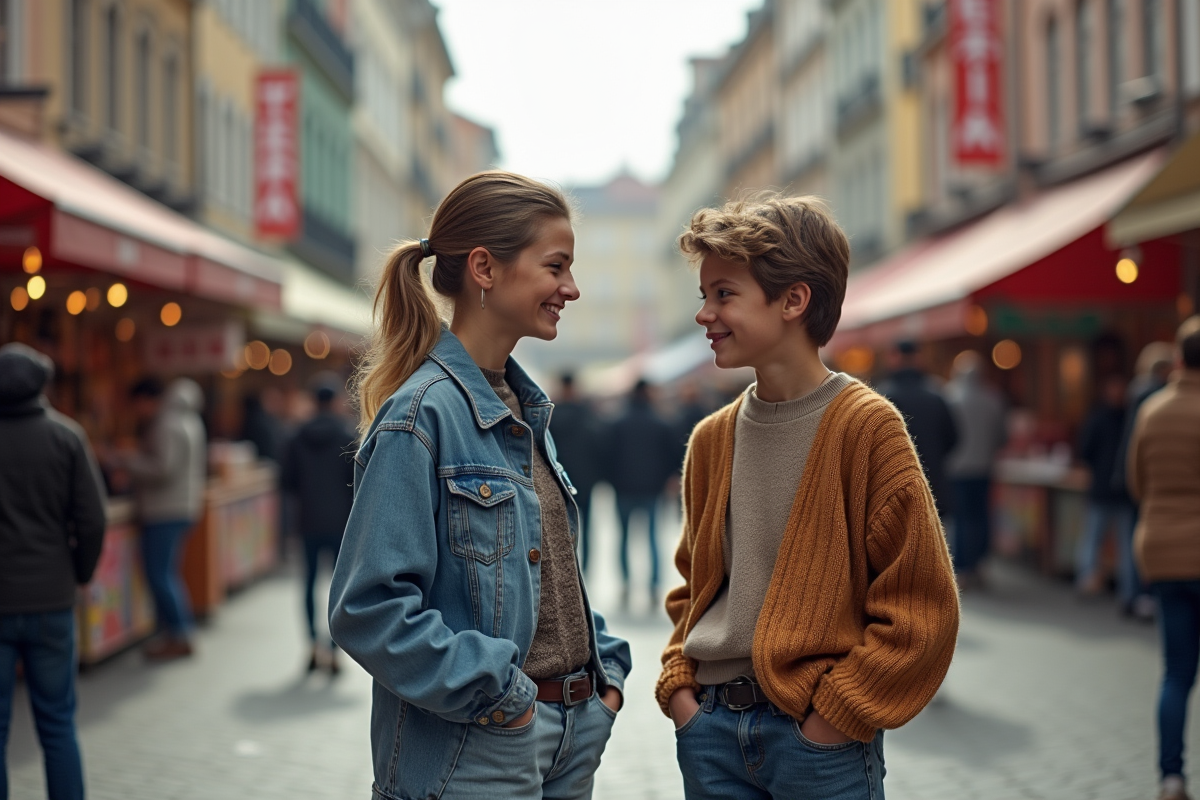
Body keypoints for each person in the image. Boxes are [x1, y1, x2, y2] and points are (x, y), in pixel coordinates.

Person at [328, 171, 631, 800]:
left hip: (569, 736)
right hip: (477, 746)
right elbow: (367, 608)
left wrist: (604, 672)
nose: (570, 288)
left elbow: (541, 571)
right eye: (555, 266)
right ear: (485, 268)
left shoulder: (522, 407)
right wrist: (504, 695)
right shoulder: (422, 415)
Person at [658, 193, 959, 800]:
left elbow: (923, 606)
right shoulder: (711, 439)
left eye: (724, 294)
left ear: (794, 300)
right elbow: (694, 586)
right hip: (711, 731)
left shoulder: (868, 427)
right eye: (704, 295)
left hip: (817, 743)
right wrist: (682, 688)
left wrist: (836, 717)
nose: (705, 315)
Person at [0, 343, 106, 800]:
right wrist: (79, 574)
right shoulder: (67, 437)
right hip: (53, 601)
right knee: (58, 723)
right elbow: (93, 518)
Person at [1128, 316, 1200, 800]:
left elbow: (1136, 481)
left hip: (1161, 552)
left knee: (1176, 672)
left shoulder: (1152, 410)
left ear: (1178, 357)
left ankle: (1170, 776)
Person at [123, 377, 207, 661]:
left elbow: (163, 468)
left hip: (165, 509)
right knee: (168, 573)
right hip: (182, 507)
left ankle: (180, 633)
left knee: (160, 574)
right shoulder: (190, 420)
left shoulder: (167, 423)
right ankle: (173, 634)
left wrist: (127, 461)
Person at [281, 378, 356, 675]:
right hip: (341, 524)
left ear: (313, 402)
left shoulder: (297, 436)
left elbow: (286, 481)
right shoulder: (347, 435)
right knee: (339, 589)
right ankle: (335, 651)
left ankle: (312, 646)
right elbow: (356, 483)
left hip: (307, 520)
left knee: (309, 584)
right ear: (335, 401)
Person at [1112, 341, 1175, 619]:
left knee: (1132, 540)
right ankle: (1141, 595)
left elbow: (1131, 447)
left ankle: (1131, 595)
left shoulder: (1137, 393)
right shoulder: (1156, 397)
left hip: (1139, 483)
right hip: (1157, 487)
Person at [605, 379, 677, 610]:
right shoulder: (661, 422)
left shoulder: (617, 423)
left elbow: (608, 454)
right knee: (653, 539)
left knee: (624, 538)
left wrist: (612, 480)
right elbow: (671, 456)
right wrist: (668, 479)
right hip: (652, 489)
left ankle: (626, 585)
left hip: (624, 488)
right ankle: (654, 587)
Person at [878, 340, 959, 521]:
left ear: (895, 357)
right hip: (934, 487)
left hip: (894, 491)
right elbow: (954, 438)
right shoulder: (937, 395)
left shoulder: (883, 396)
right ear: (918, 358)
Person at [945, 351, 1007, 588]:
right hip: (984, 467)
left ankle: (961, 566)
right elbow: (1002, 435)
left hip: (957, 468)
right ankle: (979, 562)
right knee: (981, 516)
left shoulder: (949, 397)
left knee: (960, 518)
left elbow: (945, 433)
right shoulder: (993, 399)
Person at [1074, 374, 1136, 606]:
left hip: (1105, 488)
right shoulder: (1128, 418)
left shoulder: (1102, 417)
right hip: (1119, 489)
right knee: (1119, 542)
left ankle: (1090, 580)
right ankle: (1125, 588)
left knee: (1096, 538)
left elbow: (1085, 450)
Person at [547, 373, 602, 573]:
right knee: (585, 526)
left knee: (559, 528)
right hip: (585, 480)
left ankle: (565, 568)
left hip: (558, 479)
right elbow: (599, 445)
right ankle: (583, 568)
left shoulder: (551, 414)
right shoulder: (587, 413)